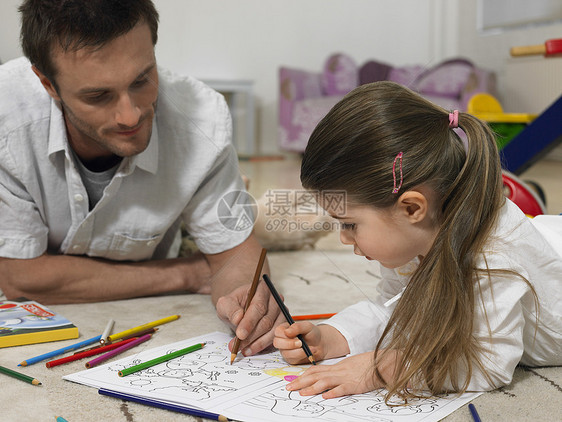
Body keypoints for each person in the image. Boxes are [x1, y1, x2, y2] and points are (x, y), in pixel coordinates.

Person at [0, 0, 280, 356]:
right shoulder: (6, 117)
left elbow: (235, 258)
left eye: (141, 80)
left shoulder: (202, 119)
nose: (130, 115)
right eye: (97, 96)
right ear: (47, 83)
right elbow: (19, 278)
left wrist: (245, 300)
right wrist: (187, 274)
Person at [273, 81, 562, 402]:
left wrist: (385, 366)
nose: (343, 238)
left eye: (351, 224)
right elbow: (398, 314)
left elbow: (490, 362)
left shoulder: (491, 256)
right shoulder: (416, 231)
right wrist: (332, 336)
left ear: (412, 208)